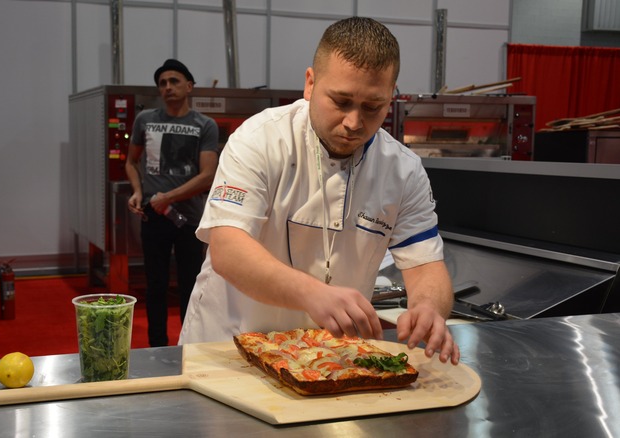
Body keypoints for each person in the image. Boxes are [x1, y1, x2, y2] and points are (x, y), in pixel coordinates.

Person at [178, 17, 460, 365]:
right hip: (228, 347)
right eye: (341, 102)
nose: (354, 123)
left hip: (329, 359)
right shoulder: (261, 139)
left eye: (373, 107)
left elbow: (426, 265)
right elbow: (227, 249)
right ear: (310, 83)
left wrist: (429, 308)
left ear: (391, 96)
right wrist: (313, 293)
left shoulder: (402, 170)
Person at [125, 59, 219, 347]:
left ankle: (188, 347)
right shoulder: (145, 120)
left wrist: (169, 197)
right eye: (162, 83)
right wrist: (137, 192)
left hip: (190, 219)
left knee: (191, 286)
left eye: (174, 81)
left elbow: (207, 176)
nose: (168, 87)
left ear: (189, 86)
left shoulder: (205, 125)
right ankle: (156, 348)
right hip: (153, 217)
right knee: (155, 286)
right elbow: (131, 162)